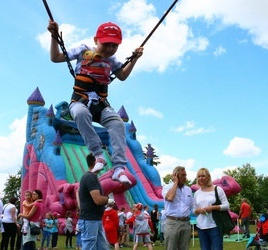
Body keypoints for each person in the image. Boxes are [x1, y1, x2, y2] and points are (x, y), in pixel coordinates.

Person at [47, 20, 144, 184]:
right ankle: (99, 155)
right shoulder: (83, 50)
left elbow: (122, 76)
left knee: (118, 124)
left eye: (114, 46)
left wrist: (134, 58)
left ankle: (119, 168)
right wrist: (54, 36)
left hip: (101, 103)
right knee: (80, 113)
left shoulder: (112, 60)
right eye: (106, 44)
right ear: (95, 40)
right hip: (80, 100)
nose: (110, 49)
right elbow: (56, 57)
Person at [77, 153, 110, 250]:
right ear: (95, 162)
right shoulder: (90, 177)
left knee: (103, 248)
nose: (104, 162)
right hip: (90, 220)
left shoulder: (91, 177)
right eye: (101, 160)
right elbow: (98, 200)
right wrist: (107, 199)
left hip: (95, 220)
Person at [193, 167, 230, 250]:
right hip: (201, 227)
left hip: (214, 226)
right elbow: (193, 209)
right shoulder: (197, 193)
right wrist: (198, 210)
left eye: (203, 176)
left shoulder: (217, 189)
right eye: (198, 176)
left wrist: (213, 207)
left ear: (208, 177)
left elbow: (226, 205)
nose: (200, 178)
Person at [162, 166, 193, 250]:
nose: (185, 177)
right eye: (182, 175)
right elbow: (170, 198)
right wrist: (175, 183)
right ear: (176, 175)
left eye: (185, 175)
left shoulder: (188, 189)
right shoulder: (167, 187)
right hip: (172, 222)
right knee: (171, 248)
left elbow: (191, 206)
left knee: (184, 248)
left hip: (186, 223)